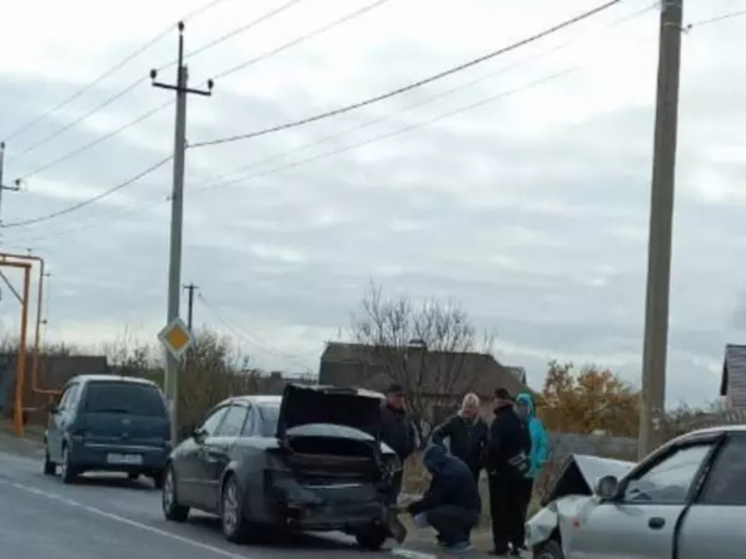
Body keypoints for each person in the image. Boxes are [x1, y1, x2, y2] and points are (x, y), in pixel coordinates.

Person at [401, 444, 481, 553]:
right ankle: (451, 539)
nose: (429, 470)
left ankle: (460, 541)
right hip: (467, 510)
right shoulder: (450, 466)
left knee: (434, 515)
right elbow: (434, 493)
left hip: (466, 513)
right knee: (439, 512)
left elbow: (435, 498)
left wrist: (413, 508)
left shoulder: (449, 473)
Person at [484, 388, 531, 557]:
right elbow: (527, 446)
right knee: (516, 510)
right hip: (518, 473)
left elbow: (493, 447)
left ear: (501, 400)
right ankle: (517, 545)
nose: (493, 402)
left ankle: (501, 546)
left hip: (500, 473)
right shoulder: (520, 421)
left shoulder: (500, 422)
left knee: (499, 510)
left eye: (495, 399)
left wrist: (490, 467)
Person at [431, 392, 489, 481]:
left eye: (470, 407)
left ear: (476, 409)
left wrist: (482, 460)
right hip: (456, 465)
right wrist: (443, 451)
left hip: (473, 468)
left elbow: (488, 443)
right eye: (465, 406)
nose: (467, 410)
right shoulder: (455, 422)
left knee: (470, 492)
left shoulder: (481, 425)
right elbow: (436, 434)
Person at [515, 392, 549, 531]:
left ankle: (520, 531)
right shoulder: (514, 422)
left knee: (524, 502)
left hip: (530, 470)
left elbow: (543, 444)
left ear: (529, 407)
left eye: (524, 405)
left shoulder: (536, 424)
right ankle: (511, 532)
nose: (522, 408)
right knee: (513, 502)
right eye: (519, 405)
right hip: (514, 469)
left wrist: (540, 459)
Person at [380, 383, 417, 504]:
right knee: (382, 493)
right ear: (389, 397)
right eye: (397, 396)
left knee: (394, 494)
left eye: (402, 397)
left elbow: (411, 435)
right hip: (383, 462)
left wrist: (409, 448)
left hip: (399, 462)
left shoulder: (405, 416)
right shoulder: (381, 414)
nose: (399, 399)